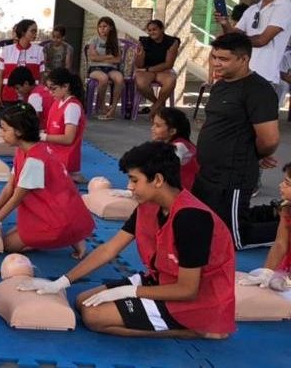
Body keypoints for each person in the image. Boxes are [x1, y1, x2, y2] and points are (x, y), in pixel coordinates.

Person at [21, 141, 236, 340]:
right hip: (162, 281)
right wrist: (61, 282)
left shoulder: (192, 219)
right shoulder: (148, 206)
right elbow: (109, 249)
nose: (129, 187)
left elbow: (188, 290)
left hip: (198, 300)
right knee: (82, 301)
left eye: (134, 180)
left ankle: (195, 331)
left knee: (94, 317)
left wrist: (130, 292)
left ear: (158, 180)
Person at [0, 104, 94, 257]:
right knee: (14, 231)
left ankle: (70, 236)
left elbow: (16, 198)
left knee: (7, 245)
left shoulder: (34, 160)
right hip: (55, 211)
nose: (1, 134)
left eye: (5, 129)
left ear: (19, 131)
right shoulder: (25, 150)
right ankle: (71, 235)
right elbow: (9, 187)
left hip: (57, 218)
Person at [192, 33, 280, 249]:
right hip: (208, 172)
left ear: (244, 59)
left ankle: (285, 231)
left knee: (232, 238)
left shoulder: (258, 90)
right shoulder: (222, 84)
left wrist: (255, 155)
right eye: (214, 57)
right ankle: (274, 211)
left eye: (223, 59)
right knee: (201, 225)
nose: (216, 63)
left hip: (233, 175)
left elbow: (269, 139)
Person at [215, 0, 291, 93]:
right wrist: (225, 24)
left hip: (264, 77)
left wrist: (236, 38)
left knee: (260, 114)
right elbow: (233, 35)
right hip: (241, 74)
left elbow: (262, 40)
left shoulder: (284, 7)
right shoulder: (253, 9)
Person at [238, 162, 291, 293]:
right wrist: (266, 272)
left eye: (287, 183)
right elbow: (280, 243)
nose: (281, 186)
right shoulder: (286, 207)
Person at [43, 68, 87, 183]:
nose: (50, 92)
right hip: (53, 154)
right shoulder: (57, 102)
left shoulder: (72, 107)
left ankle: (72, 175)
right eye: (48, 88)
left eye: (53, 88)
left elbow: (68, 139)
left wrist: (43, 137)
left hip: (64, 159)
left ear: (65, 86)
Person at [134, 20, 180, 116]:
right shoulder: (144, 41)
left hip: (163, 70)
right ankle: (159, 105)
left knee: (171, 80)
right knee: (140, 83)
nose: (152, 32)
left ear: (162, 29)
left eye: (154, 29)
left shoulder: (172, 42)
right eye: (149, 30)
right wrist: (139, 55)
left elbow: (168, 64)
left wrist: (147, 70)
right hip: (147, 69)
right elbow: (139, 65)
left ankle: (154, 108)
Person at [0, 19, 45, 110]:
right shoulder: (6, 50)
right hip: (9, 96)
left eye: (36, 31)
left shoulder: (39, 51)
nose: (35, 34)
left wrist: (40, 95)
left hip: (32, 97)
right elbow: (0, 76)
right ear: (23, 32)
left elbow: (42, 77)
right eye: (32, 31)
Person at [150, 107, 199, 195]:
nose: (152, 128)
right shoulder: (172, 144)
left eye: (157, 125)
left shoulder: (179, 146)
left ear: (172, 131)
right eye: (153, 124)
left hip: (186, 193)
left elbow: (162, 169)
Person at [87, 16, 126, 120]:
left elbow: (117, 60)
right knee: (103, 78)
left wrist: (100, 58)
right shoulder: (94, 40)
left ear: (111, 28)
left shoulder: (115, 41)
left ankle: (112, 109)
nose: (102, 29)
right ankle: (102, 106)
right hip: (96, 68)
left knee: (119, 78)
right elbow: (92, 57)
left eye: (105, 26)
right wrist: (109, 56)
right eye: (100, 26)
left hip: (111, 68)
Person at [6, 66, 53, 131]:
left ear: (26, 83)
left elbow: (32, 123)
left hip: (45, 132)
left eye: (17, 88)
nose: (16, 91)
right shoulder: (40, 88)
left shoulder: (34, 97)